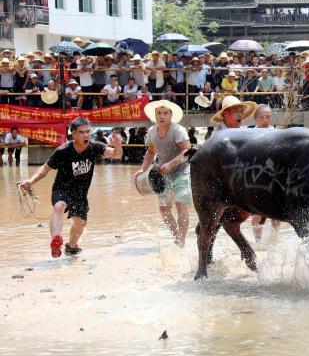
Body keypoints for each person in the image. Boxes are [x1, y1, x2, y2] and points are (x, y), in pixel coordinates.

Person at [18, 117, 122, 257]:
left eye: (88, 132)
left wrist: (118, 146)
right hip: (62, 188)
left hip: (80, 193)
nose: (86, 135)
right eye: (81, 132)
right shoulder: (63, 151)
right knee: (59, 206)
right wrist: (30, 181)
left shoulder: (95, 147)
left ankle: (71, 246)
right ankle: (56, 240)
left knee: (80, 222)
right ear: (73, 134)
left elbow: (116, 155)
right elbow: (45, 168)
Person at [134, 100, 192, 246]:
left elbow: (188, 151)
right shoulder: (152, 131)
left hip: (182, 171)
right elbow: (150, 151)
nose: (162, 116)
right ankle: (177, 236)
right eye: (159, 113)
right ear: (155, 116)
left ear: (171, 116)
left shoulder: (178, 130)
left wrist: (171, 164)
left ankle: (183, 241)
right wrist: (143, 168)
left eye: (165, 113)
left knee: (181, 204)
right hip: (163, 175)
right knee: (164, 209)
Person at [249, 104, 280, 242]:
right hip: (255, 177)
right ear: (256, 118)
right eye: (262, 117)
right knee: (256, 210)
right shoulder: (248, 134)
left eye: (268, 117)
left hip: (273, 176)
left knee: (276, 211)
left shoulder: (277, 133)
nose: (265, 119)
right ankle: (257, 241)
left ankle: (275, 238)